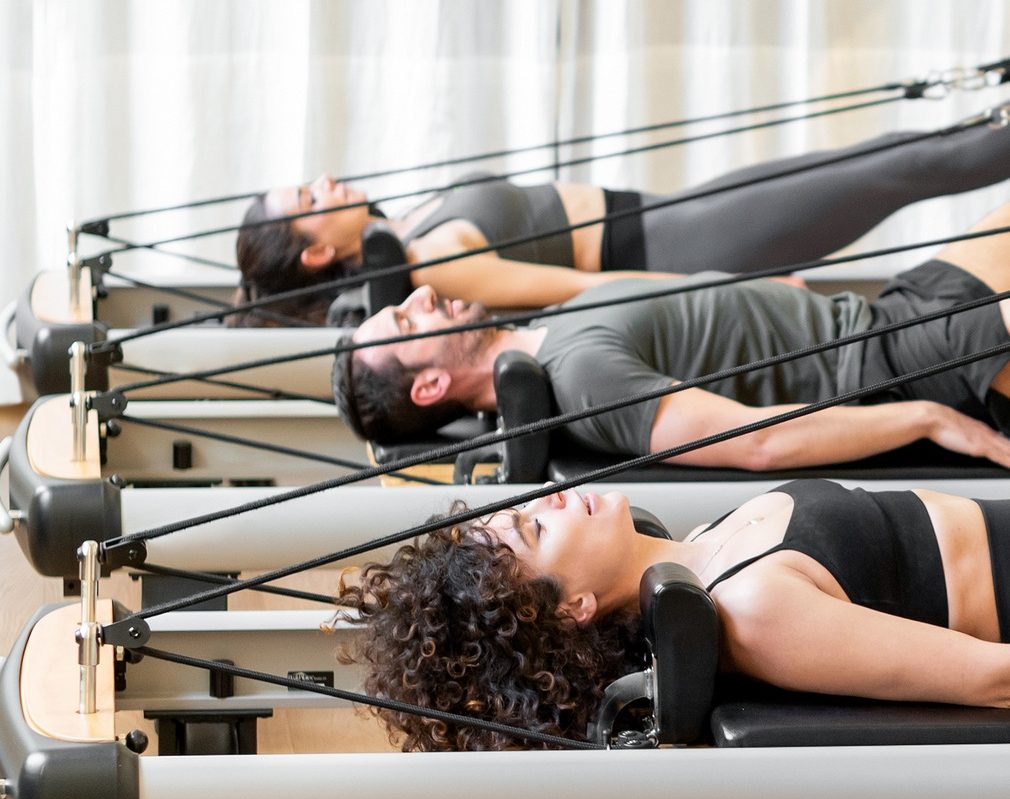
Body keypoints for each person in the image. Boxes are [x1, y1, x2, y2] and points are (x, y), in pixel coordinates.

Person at [331, 199, 1010, 472]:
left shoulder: (549, 335)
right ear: (429, 384)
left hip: (893, 313)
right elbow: (758, 443)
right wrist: (928, 418)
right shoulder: (584, 380)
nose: (419, 296)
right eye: (406, 322)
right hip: (913, 359)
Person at [335, 480, 1010, 751]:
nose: (558, 500)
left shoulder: (703, 539)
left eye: (527, 508)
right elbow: (992, 680)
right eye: (537, 530)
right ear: (573, 608)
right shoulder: (753, 611)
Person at [235, 119, 1010, 324]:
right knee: (903, 172)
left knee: (888, 155)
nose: (324, 184)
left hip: (675, 210)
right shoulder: (430, 264)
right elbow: (582, 289)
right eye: (309, 202)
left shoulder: (409, 219)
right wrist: (730, 284)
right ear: (311, 256)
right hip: (687, 246)